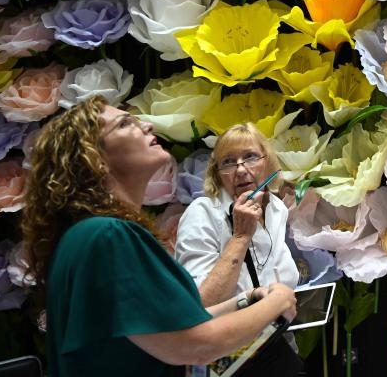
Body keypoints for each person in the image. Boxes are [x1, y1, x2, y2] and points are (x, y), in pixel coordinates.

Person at [20, 97, 296, 377]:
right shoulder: (108, 236)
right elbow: (196, 344)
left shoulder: (88, 234)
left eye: (250, 157)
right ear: (95, 159)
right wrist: (277, 303)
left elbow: (169, 328)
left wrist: (244, 300)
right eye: (125, 123)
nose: (147, 125)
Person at [175, 123, 298, 305]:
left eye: (250, 157)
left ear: (267, 162)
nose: (240, 170)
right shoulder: (202, 213)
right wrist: (241, 237)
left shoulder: (276, 207)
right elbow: (200, 303)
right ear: (217, 174)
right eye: (228, 162)